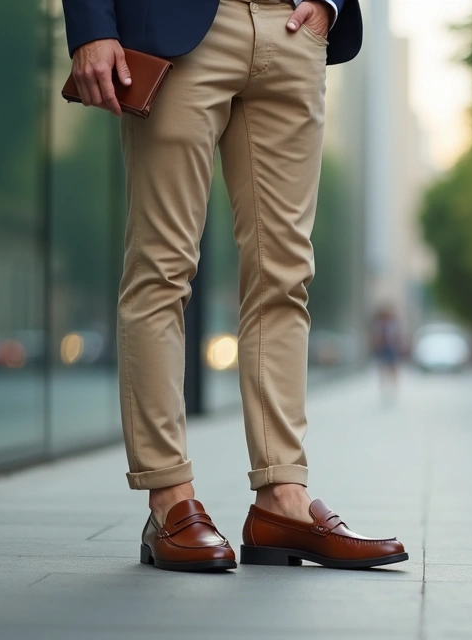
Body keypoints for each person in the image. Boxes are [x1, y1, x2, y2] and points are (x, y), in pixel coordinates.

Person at [63, 0, 407, 572]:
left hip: (294, 32)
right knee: (162, 266)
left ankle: (283, 500)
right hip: (182, 28)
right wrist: (92, 27)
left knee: (286, 275)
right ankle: (169, 497)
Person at [370, 306, 403, 401]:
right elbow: (375, 336)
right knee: (382, 368)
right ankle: (384, 388)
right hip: (382, 349)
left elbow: (398, 335)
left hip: (392, 348)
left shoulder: (394, 323)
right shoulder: (378, 324)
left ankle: (393, 387)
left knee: (393, 368)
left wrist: (399, 346)